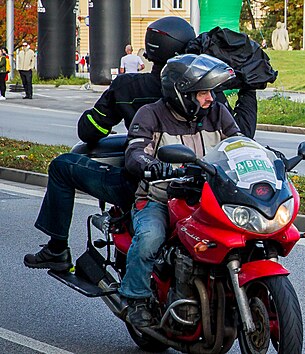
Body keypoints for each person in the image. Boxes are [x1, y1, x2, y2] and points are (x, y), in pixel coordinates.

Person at [23, 17, 198, 272]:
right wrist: (248, 91)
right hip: (198, 185)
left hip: (140, 184)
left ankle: (57, 249)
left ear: (150, 49)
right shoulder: (205, 92)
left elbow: (90, 132)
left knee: (62, 166)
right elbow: (239, 136)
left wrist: (99, 116)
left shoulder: (128, 86)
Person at [120, 53, 240, 327]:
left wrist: (267, 157)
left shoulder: (217, 113)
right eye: (203, 92)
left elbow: (238, 143)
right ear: (182, 93)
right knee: (151, 237)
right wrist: (152, 166)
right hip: (161, 198)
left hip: (209, 198)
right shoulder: (150, 114)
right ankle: (135, 298)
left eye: (211, 91)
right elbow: (135, 153)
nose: (210, 98)